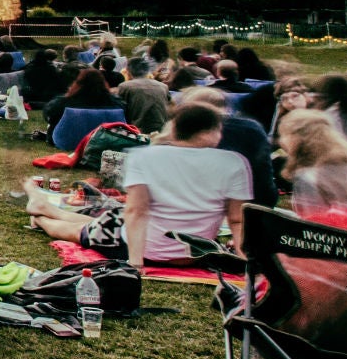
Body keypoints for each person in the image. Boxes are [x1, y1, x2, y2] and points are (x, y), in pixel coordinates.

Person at [26, 102, 250, 266]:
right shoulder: (234, 163)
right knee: (82, 229)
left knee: (94, 226)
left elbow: (136, 211)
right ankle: (41, 217)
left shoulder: (146, 157)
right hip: (191, 249)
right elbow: (237, 219)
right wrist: (242, 259)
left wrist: (135, 261)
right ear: (210, 132)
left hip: (140, 240)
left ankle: (44, 210)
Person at [277, 109, 347, 219]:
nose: (281, 141)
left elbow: (313, 224)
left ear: (296, 138)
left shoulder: (308, 177)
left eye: (284, 135)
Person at [116, 55, 170, 134]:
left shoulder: (125, 86)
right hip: (161, 130)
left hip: (137, 131)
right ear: (148, 71)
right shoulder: (163, 86)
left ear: (128, 71)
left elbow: (119, 111)